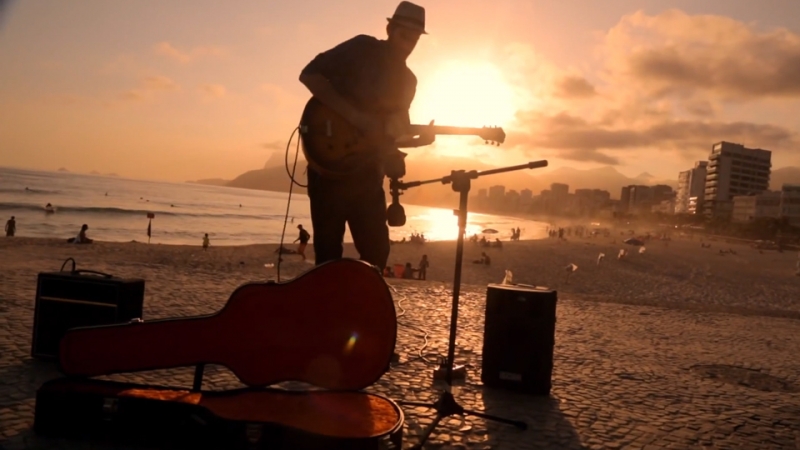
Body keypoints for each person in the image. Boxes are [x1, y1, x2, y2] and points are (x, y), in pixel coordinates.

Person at [299, 1, 435, 270]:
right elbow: (309, 75)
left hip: (367, 175)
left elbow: (391, 135)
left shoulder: (408, 81)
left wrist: (421, 140)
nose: (408, 43)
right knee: (327, 256)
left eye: (414, 38)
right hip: (329, 173)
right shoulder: (361, 49)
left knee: (376, 254)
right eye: (403, 34)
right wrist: (355, 117)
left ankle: (357, 310)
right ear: (389, 28)